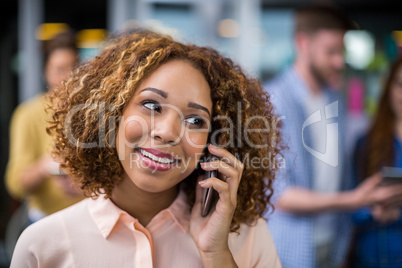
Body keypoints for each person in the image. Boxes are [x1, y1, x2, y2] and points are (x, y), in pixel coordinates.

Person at [10, 30, 282, 267]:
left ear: (214, 141)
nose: (167, 133)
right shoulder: (42, 246)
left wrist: (217, 254)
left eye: (196, 120)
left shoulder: (246, 236)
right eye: (152, 106)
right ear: (111, 114)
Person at [263, 4, 402, 268]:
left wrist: (370, 205)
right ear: (303, 43)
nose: (339, 61)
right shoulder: (273, 101)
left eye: (342, 52)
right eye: (331, 52)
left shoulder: (334, 99)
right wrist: (354, 200)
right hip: (290, 248)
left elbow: (339, 177)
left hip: (334, 244)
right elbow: (279, 195)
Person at [5, 31, 84, 224]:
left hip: (87, 216)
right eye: (59, 69)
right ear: (45, 72)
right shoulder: (28, 114)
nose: (68, 78)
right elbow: (16, 184)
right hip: (44, 220)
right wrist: (46, 166)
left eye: (74, 68)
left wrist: (84, 186)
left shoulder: (92, 112)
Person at [349, 56, 402, 267]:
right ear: (389, 87)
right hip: (370, 257)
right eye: (400, 84)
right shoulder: (367, 143)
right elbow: (349, 203)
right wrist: (372, 209)